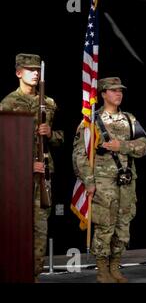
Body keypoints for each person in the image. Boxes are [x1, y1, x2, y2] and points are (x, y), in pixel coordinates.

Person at [73, 77, 146, 283]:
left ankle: (115, 267)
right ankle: (102, 269)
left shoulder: (130, 119)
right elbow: (79, 155)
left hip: (126, 182)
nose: (118, 94)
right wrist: (88, 181)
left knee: (123, 227)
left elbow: (144, 146)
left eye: (120, 90)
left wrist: (122, 146)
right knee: (105, 227)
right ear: (103, 94)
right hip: (102, 184)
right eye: (113, 90)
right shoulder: (91, 121)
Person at [0, 53, 64, 282]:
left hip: (43, 175)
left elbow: (60, 138)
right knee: (17, 228)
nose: (35, 73)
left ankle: (34, 275)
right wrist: (26, 165)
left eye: (37, 69)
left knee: (40, 229)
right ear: (18, 72)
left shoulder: (48, 103)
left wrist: (51, 134)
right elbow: (4, 145)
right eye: (29, 69)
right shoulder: (8, 103)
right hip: (17, 178)